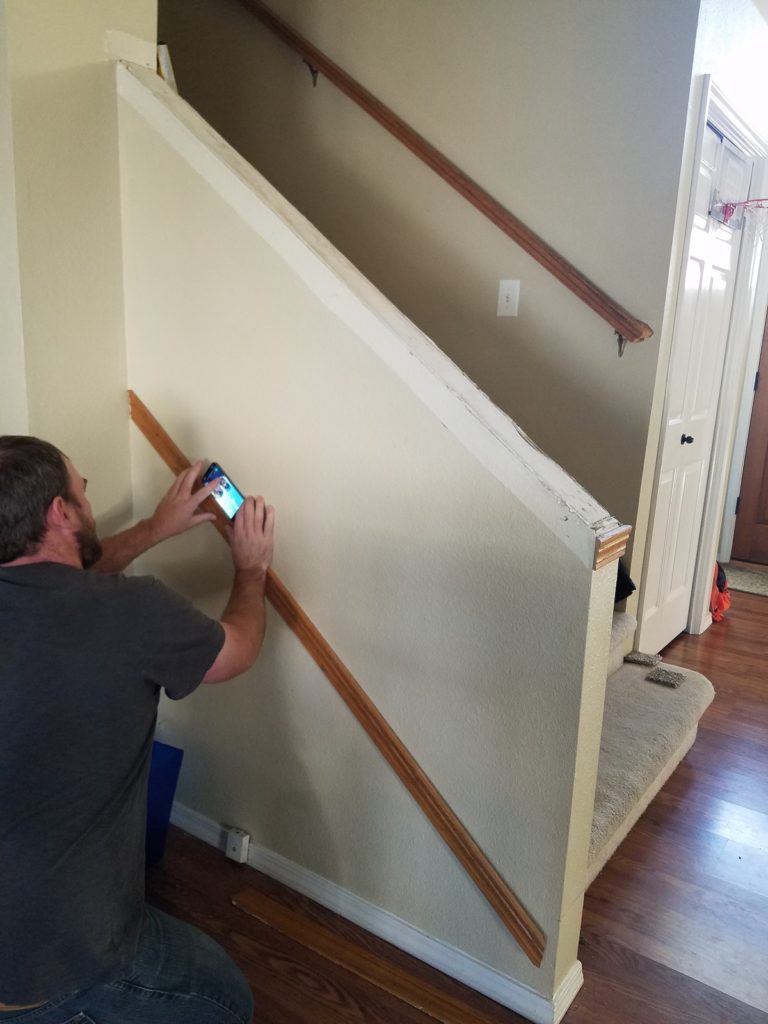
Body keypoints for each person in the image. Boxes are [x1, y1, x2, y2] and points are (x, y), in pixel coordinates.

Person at [0, 435, 275, 1023]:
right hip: (42, 975)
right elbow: (239, 649)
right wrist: (251, 571)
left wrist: (155, 527)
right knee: (228, 1000)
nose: (88, 500)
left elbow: (62, 580)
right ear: (58, 511)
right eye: (82, 491)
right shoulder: (133, 611)